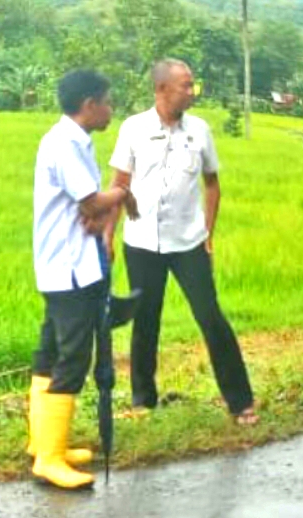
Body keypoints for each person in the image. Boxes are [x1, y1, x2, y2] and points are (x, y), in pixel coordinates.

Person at [105, 59, 257, 426]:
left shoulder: (200, 130)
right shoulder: (133, 128)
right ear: (162, 90)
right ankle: (143, 400)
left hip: (189, 243)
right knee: (146, 321)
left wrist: (208, 232)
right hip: (142, 242)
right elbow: (119, 186)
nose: (192, 91)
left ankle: (241, 402)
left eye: (192, 85)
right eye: (185, 86)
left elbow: (212, 185)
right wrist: (107, 238)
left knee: (210, 317)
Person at [27, 70, 139, 490]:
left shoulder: (72, 140)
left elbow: (88, 210)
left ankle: (43, 443)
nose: (112, 109)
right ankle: (50, 459)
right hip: (70, 269)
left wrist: (97, 210)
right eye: (108, 101)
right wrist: (122, 195)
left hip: (64, 264)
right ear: (89, 104)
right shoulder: (66, 143)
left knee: (50, 350)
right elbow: (91, 202)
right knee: (72, 357)